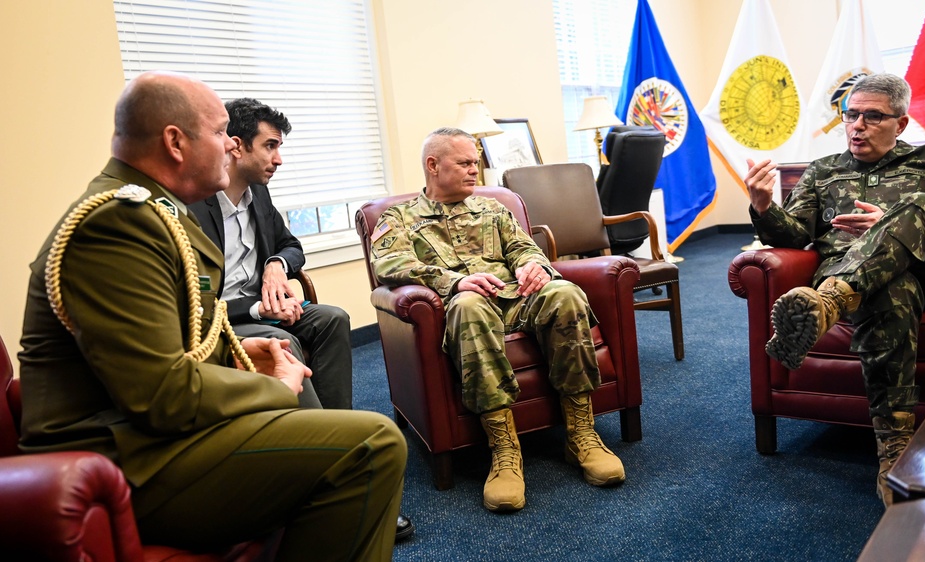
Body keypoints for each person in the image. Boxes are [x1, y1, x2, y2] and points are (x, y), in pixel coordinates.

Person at [17, 71, 406, 560]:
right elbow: (162, 393)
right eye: (222, 132)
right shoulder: (116, 226)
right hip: (119, 455)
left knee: (323, 379)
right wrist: (269, 385)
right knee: (372, 444)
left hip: (146, 436)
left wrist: (244, 353)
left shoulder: (159, 213)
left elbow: (186, 335)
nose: (230, 146)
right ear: (175, 142)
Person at [743, 73, 925, 507]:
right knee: (891, 290)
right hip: (880, 290)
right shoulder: (823, 171)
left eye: (873, 116)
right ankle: (893, 449)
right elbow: (795, 234)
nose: (857, 125)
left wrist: (891, 223)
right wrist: (763, 207)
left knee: (924, 204)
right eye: (851, 114)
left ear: (902, 123)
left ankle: (828, 303)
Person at [369, 127, 625, 513]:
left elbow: (525, 247)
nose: (476, 170)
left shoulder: (492, 209)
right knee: (469, 304)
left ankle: (581, 434)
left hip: (517, 299)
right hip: (464, 311)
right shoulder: (399, 218)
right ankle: (504, 451)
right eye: (466, 162)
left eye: (477, 162)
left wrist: (534, 267)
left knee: (565, 293)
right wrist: (454, 282)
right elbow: (389, 264)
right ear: (433, 165)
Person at [189, 98, 352, 411]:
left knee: (333, 318)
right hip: (224, 319)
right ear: (236, 146)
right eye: (270, 146)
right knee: (282, 343)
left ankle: (340, 422)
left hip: (268, 306)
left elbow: (292, 246)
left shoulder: (259, 193)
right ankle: (316, 438)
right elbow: (196, 298)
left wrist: (275, 265)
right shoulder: (194, 208)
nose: (278, 160)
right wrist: (257, 309)